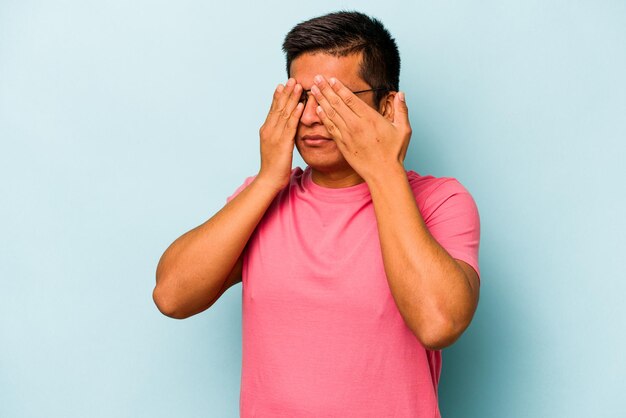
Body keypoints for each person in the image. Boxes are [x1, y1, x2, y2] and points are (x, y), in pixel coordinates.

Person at [153, 11, 480, 418]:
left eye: (334, 99)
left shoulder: (439, 201)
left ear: (388, 104)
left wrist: (384, 171)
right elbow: (172, 296)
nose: (309, 117)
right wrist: (269, 178)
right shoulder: (263, 199)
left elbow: (438, 323)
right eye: (301, 97)